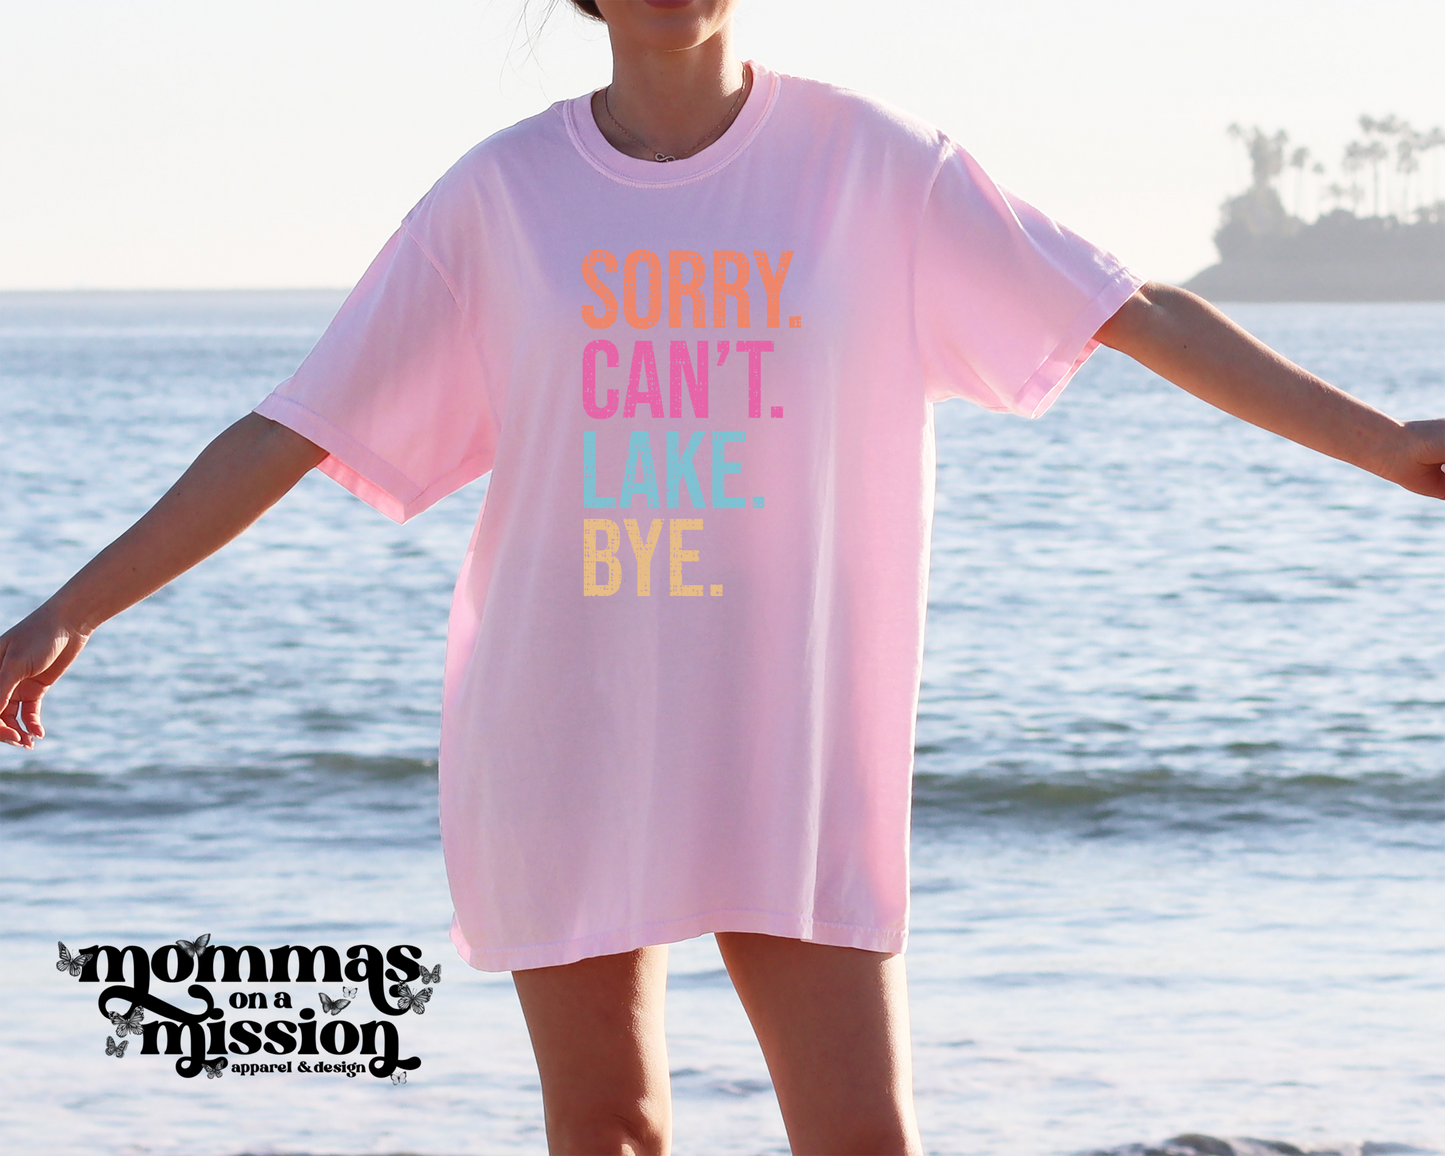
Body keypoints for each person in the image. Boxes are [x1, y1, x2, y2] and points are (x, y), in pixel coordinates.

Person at [4, 1, 1444, 1153]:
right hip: (565, 724)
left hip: (787, 733)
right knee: (610, 1133)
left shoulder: (874, 165)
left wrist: (1385, 445)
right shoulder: (500, 198)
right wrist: (75, 605)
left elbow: (1129, 309)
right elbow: (296, 422)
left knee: (860, 1138)